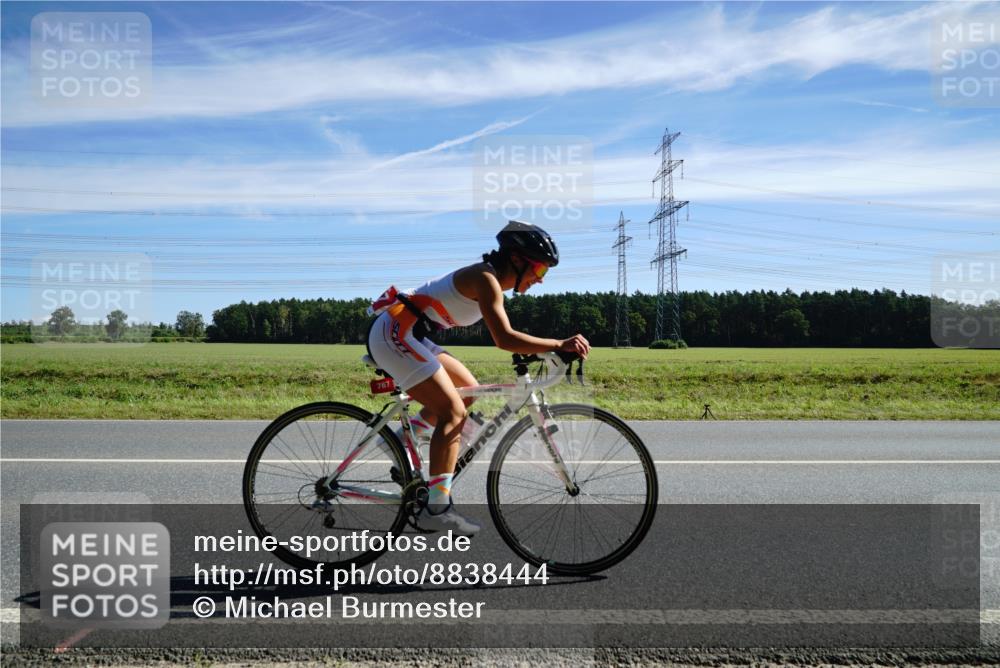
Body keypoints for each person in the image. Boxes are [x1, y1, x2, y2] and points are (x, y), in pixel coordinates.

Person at [366, 220, 591, 536]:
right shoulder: (485, 279)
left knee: (467, 393)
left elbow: (506, 337)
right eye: (540, 271)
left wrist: (547, 350)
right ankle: (437, 508)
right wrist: (557, 345)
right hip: (394, 332)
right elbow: (504, 338)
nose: (540, 280)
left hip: (410, 331)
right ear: (517, 259)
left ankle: (402, 440)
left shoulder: (491, 282)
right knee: (454, 411)